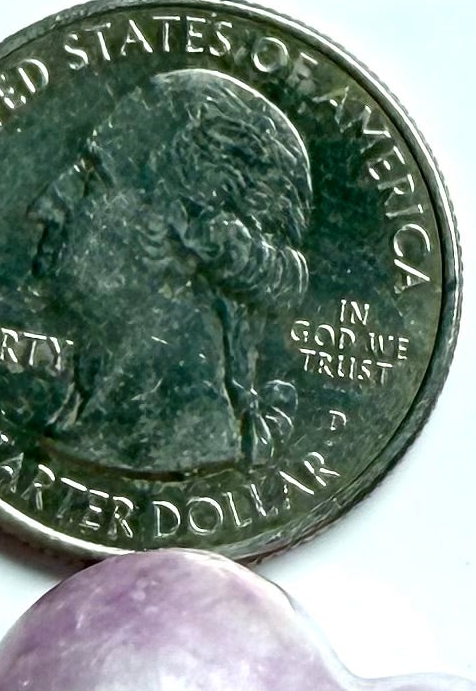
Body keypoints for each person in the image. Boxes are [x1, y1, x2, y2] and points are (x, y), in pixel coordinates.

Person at [29, 66, 313, 474]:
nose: (45, 206)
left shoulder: (161, 436)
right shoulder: (98, 416)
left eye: (93, 175)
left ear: (175, 229)